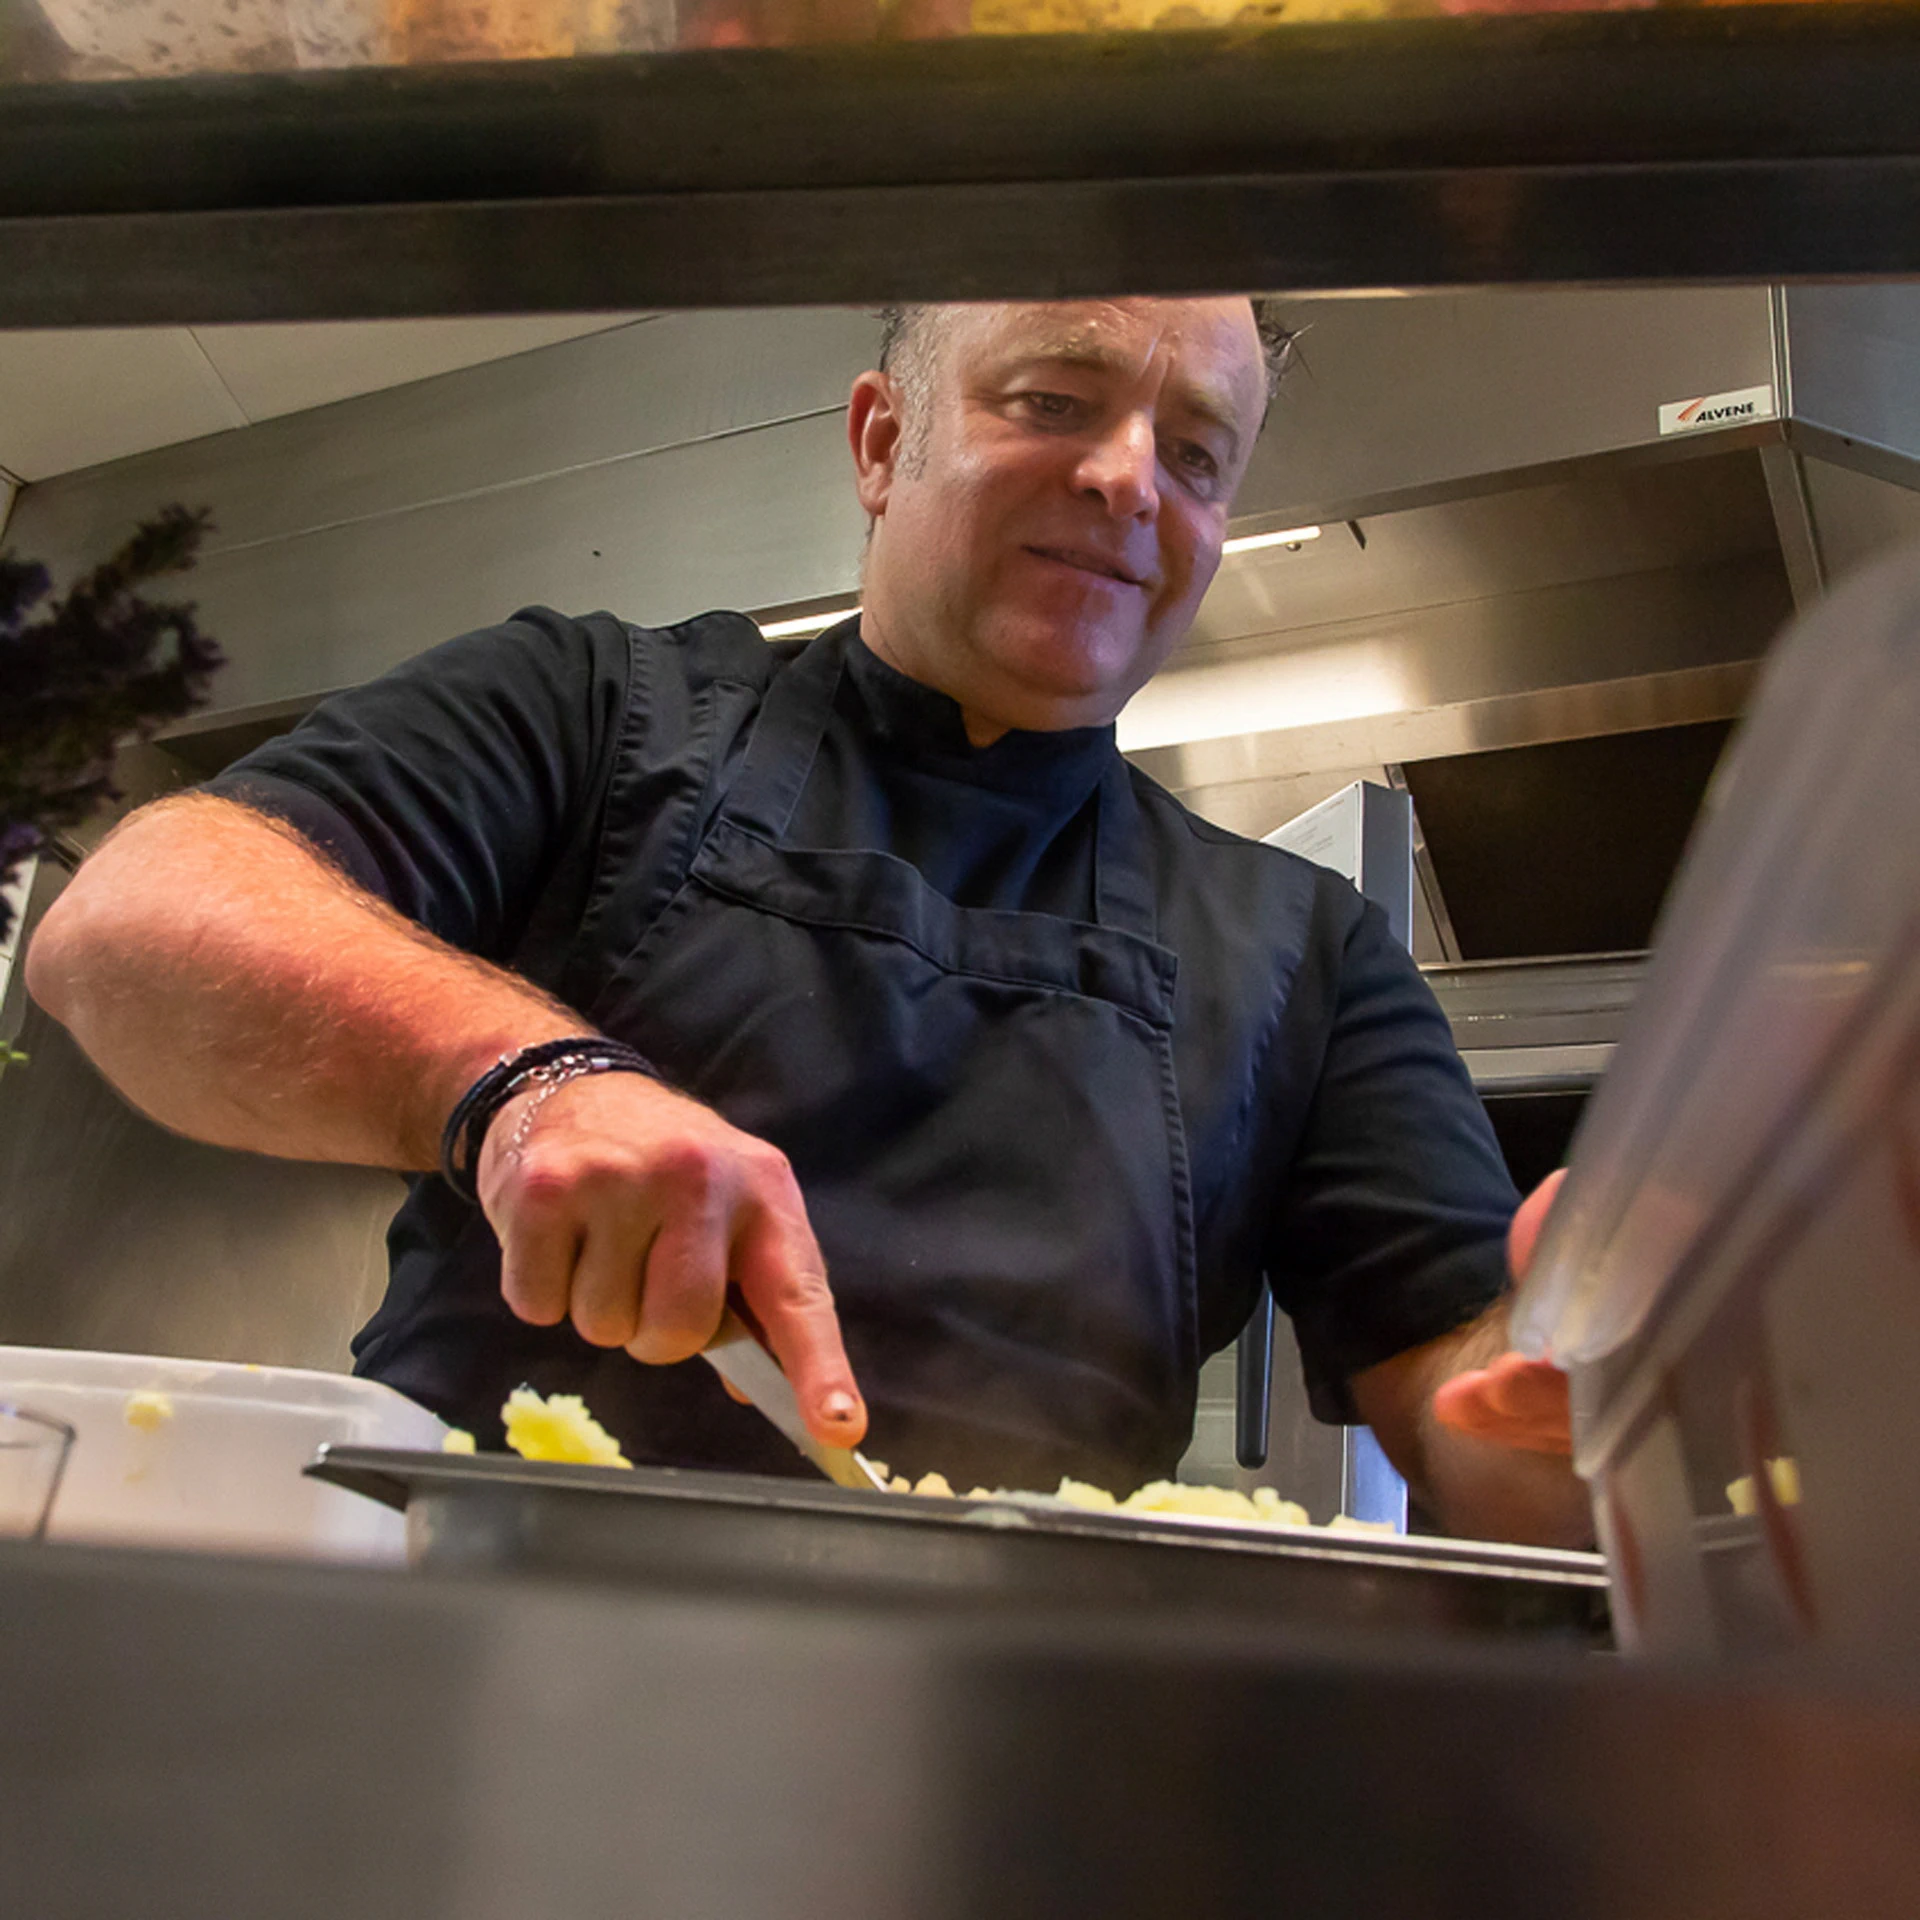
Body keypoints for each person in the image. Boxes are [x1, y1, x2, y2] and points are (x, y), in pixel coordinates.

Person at [27, 296, 1589, 1545]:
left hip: (1003, 1750)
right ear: (881, 438)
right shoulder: (590, 709)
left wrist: (1592, 1403)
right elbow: (131, 922)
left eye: (1196, 452)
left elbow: (1479, 1441)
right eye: (1053, 401)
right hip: (454, 1660)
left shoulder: (1309, 954)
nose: (1129, 478)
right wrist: (522, 1085)